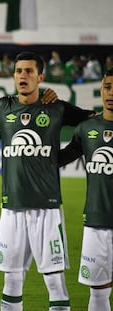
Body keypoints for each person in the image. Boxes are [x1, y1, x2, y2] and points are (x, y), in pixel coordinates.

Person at [0, 52, 94, 310]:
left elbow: (93, 124)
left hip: (47, 209)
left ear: (41, 77)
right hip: (11, 208)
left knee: (55, 282)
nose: (23, 75)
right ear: (13, 76)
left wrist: (60, 157)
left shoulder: (56, 107)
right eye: (19, 71)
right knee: (11, 282)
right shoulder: (2, 107)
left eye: (29, 71)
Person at [58, 67, 113, 311]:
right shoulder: (87, 129)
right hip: (97, 223)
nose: (111, 93)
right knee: (99, 293)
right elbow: (56, 159)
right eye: (108, 87)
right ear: (101, 90)